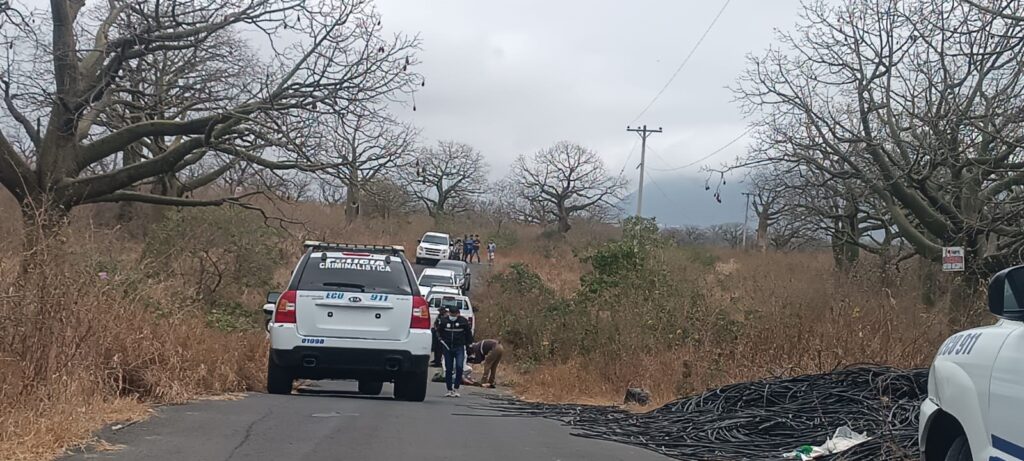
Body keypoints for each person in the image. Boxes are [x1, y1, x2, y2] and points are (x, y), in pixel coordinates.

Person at [434, 304, 473, 397]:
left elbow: (468, 334)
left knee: (459, 367)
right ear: (449, 313)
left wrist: (469, 346)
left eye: (455, 315)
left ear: (458, 314)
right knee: (449, 368)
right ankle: (449, 389)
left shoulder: (463, 322)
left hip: (459, 347)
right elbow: (438, 332)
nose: (453, 317)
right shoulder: (444, 321)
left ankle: (456, 388)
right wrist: (440, 340)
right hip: (447, 347)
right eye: (451, 314)